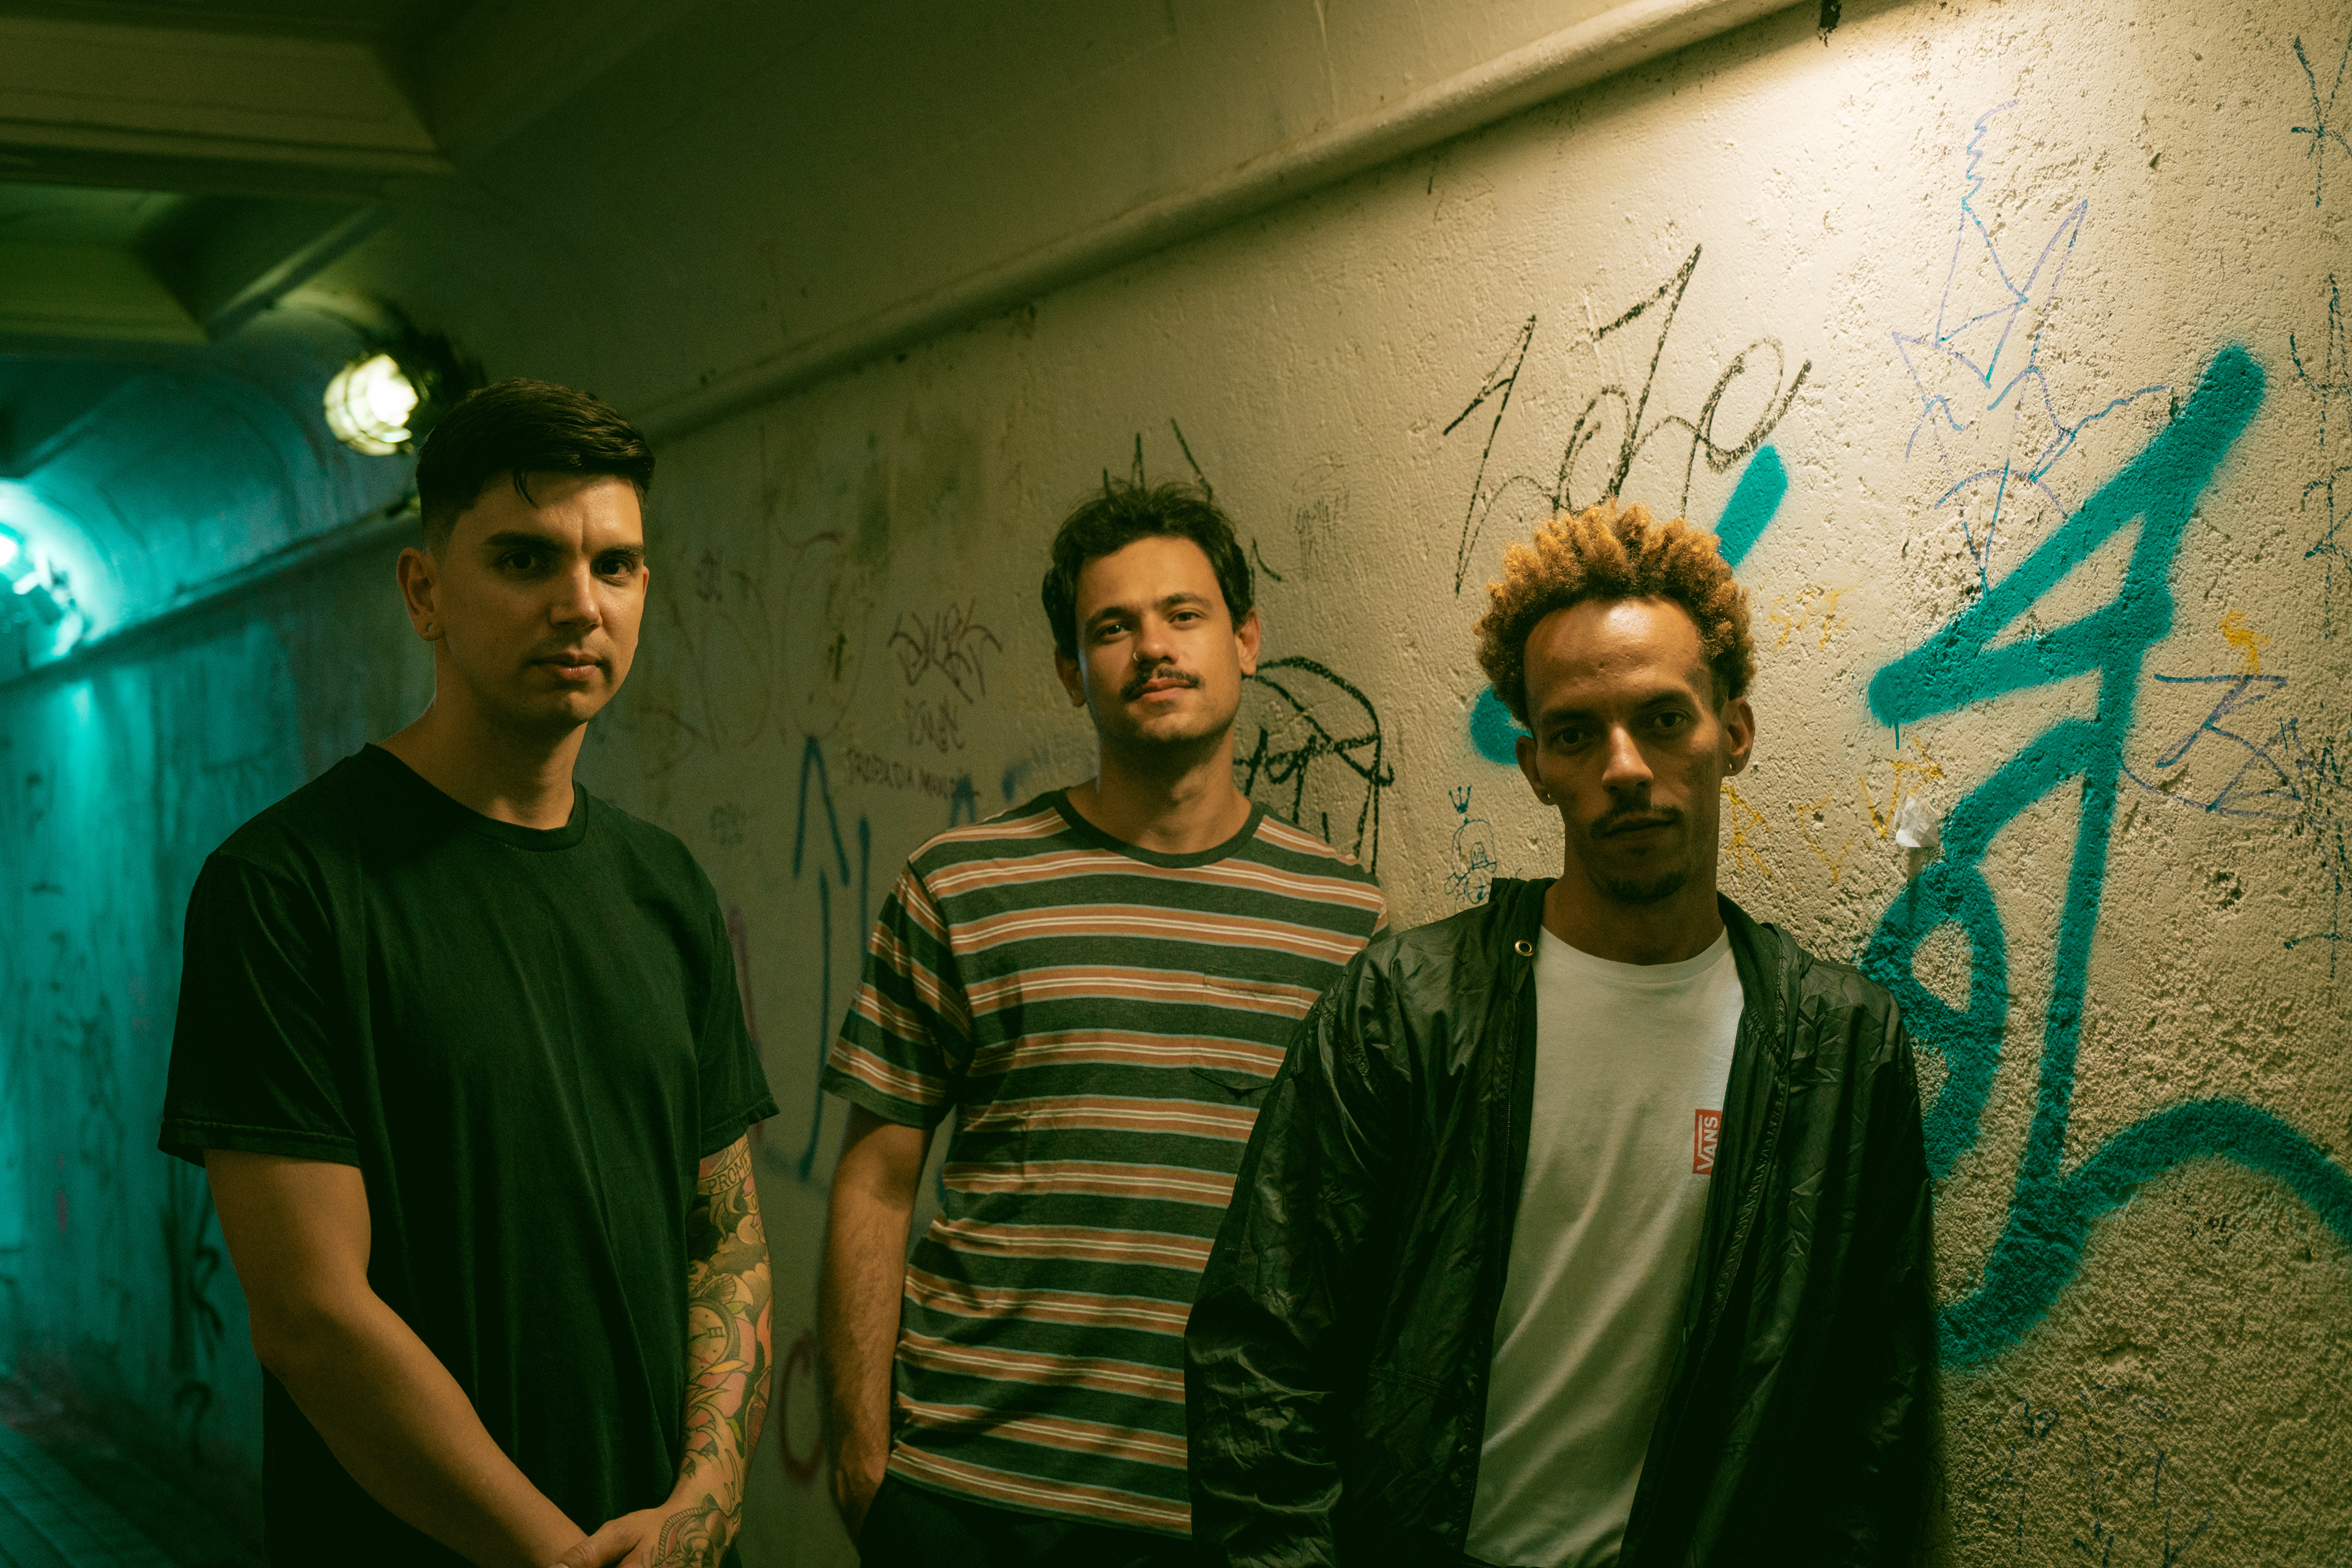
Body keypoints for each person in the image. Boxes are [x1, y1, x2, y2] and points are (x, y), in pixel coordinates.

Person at [1185, 500, 1934, 1567]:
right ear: (1537, 765)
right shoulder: (1405, 1011)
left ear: (1735, 733)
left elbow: (1872, 1421)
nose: (1624, 766)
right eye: (1578, 734)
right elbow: (1262, 1354)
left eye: (1664, 719)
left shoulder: (1841, 1051)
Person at [158, 380, 780, 1568]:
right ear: (425, 592)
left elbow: (724, 1238)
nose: (578, 603)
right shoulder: (285, 888)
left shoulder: (664, 886)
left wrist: (706, 1495)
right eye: (523, 558)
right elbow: (312, 1315)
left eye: (613, 565)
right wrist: (557, 1555)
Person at [817, 479, 1387, 1566]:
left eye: (1184, 615)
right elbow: (878, 1179)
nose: (1153, 648)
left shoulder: (1345, 921)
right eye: (1112, 628)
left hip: (1224, 1513)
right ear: (1071, 672)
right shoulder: (962, 885)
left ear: (1246, 639)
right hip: (969, 1498)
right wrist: (861, 1462)